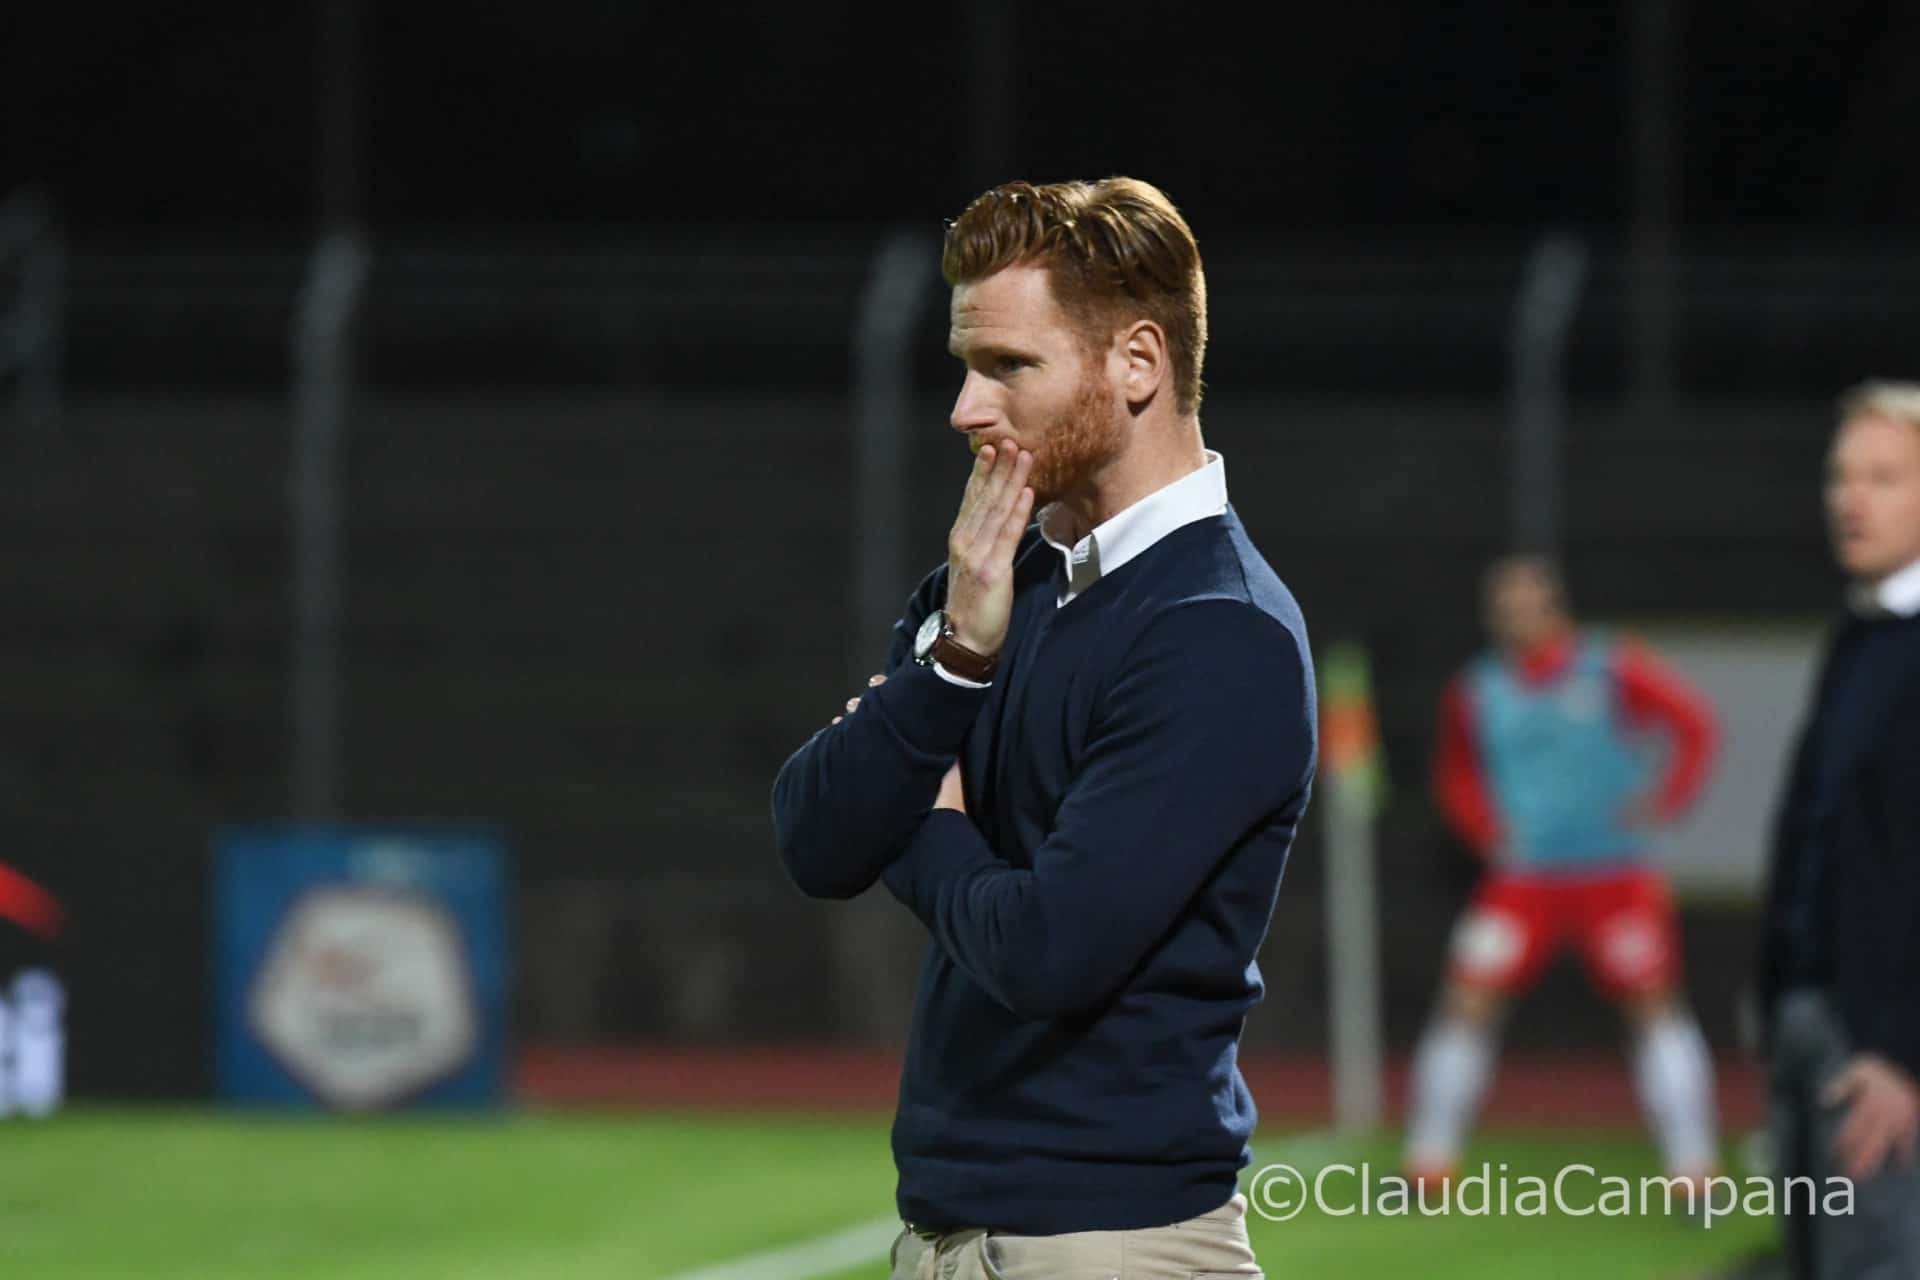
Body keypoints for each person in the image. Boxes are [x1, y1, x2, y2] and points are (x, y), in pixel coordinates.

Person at [771, 178, 1314, 1280]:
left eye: (1009, 365)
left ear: (1137, 363)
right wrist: (954, 668)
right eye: (965, 365)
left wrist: (924, 823)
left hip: (1115, 1241)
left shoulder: (1221, 631)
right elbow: (817, 839)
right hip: (948, 1234)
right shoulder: (984, 583)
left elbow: (1046, 951)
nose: (966, 408)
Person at [1403, 555, 1722, 1193]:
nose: (1517, 618)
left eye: (1529, 605)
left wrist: (1666, 800)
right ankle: (1427, 1165)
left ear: (1556, 607)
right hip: (1524, 881)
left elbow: (1695, 725)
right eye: (1505, 609)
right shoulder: (1478, 689)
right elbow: (1455, 774)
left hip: (1614, 876)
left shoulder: (1610, 666)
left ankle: (1694, 1169)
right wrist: (1483, 828)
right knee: (1466, 1001)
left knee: (1653, 1007)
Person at [1758, 381, 1920, 1277]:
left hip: (1881, 1053)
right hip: (1813, 1025)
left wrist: (1903, 1050)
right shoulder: (1861, 633)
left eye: (1883, 477)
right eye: (1840, 476)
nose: (1851, 499)